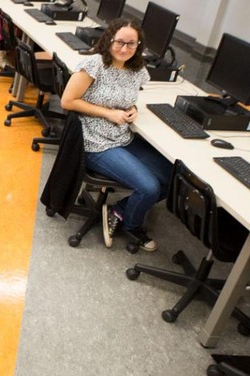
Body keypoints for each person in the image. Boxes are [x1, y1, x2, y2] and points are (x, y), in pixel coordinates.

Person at [60, 18, 169, 252]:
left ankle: (118, 210)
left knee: (172, 177)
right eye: (120, 42)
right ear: (109, 39)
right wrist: (108, 114)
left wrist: (133, 109)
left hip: (123, 137)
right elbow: (68, 101)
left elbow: (130, 99)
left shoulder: (137, 70)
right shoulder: (94, 64)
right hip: (95, 142)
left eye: (132, 44)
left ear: (138, 46)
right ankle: (132, 225)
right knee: (149, 187)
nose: (124, 48)